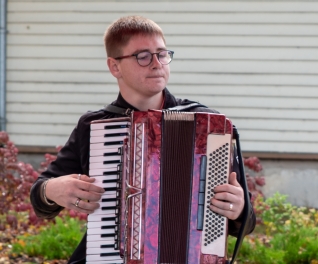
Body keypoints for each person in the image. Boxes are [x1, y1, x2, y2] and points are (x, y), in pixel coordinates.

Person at [30, 15, 256, 264]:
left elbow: (245, 223)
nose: (157, 64)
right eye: (143, 56)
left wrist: (240, 209)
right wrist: (52, 190)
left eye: (162, 54)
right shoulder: (95, 127)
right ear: (114, 66)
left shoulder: (208, 126)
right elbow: (40, 198)